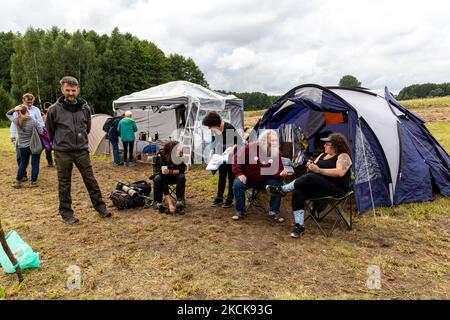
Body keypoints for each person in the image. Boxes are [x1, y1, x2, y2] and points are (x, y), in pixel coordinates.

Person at [45, 76, 111, 224]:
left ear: (78, 90)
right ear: (62, 90)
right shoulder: (54, 110)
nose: (70, 93)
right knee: (64, 183)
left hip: (81, 150)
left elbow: (87, 128)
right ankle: (67, 214)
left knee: (90, 180)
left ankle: (101, 208)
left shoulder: (85, 108)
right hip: (62, 152)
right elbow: (50, 131)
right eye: (67, 90)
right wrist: (60, 143)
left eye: (73, 90)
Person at [266, 133, 353, 238]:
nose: (324, 145)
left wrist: (319, 170)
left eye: (327, 144)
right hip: (319, 188)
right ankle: (299, 226)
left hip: (336, 189)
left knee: (312, 177)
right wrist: (310, 166)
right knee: (298, 191)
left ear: (335, 145)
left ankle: (283, 189)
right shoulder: (322, 155)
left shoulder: (343, 156)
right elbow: (312, 169)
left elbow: (340, 172)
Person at [232, 129, 289, 222]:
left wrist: (280, 174)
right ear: (264, 140)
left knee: (277, 183)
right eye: (272, 140)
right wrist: (239, 173)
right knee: (237, 184)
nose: (275, 143)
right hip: (248, 179)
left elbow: (277, 169)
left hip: (265, 180)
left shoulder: (276, 152)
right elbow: (236, 160)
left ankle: (274, 211)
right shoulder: (250, 147)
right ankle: (240, 211)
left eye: (276, 140)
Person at [202, 112, 242, 208]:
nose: (208, 128)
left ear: (216, 123)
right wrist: (212, 151)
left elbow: (238, 141)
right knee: (222, 176)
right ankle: (219, 197)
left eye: (209, 125)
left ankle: (230, 198)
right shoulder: (215, 129)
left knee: (231, 177)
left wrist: (233, 148)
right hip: (221, 155)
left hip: (232, 155)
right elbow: (214, 140)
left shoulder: (229, 128)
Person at [6, 105, 43, 188]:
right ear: (28, 111)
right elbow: (41, 132)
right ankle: (33, 182)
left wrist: (15, 109)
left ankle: (18, 181)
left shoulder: (17, 121)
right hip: (34, 145)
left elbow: (8, 114)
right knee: (35, 163)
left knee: (23, 163)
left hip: (22, 146)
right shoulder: (34, 121)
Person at [10, 93, 45, 180]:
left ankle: (31, 178)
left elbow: (41, 122)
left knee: (34, 159)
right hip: (22, 138)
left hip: (35, 137)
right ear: (23, 100)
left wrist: (37, 126)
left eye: (31, 102)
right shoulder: (18, 110)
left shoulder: (36, 109)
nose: (30, 104)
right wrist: (12, 135)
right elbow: (14, 123)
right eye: (28, 102)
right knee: (19, 157)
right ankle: (23, 175)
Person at [151, 141, 186, 214]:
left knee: (181, 177)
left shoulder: (179, 157)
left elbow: (182, 170)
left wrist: (170, 171)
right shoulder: (163, 158)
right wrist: (170, 204)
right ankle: (158, 202)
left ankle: (179, 201)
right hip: (164, 178)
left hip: (176, 177)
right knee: (157, 179)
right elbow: (164, 179)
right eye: (177, 149)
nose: (180, 150)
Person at [41, 101, 54, 167]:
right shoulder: (53, 111)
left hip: (46, 134)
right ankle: (52, 162)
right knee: (53, 148)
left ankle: (50, 162)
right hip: (48, 134)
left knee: (48, 148)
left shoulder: (43, 114)